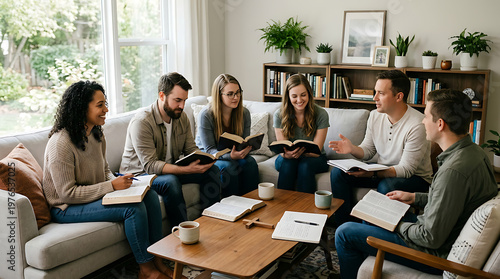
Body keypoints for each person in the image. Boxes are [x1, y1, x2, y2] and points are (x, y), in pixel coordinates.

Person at [335, 89, 498, 279]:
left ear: (440, 124)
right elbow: (453, 199)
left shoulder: (453, 171)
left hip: (435, 254)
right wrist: (414, 197)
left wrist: (395, 224)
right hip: (442, 233)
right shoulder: (474, 152)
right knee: (369, 218)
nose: (422, 121)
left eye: (426, 116)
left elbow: (430, 237)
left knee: (344, 233)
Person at [42, 81, 173, 279]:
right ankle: (145, 270)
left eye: (106, 103)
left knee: (150, 195)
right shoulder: (60, 143)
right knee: (133, 209)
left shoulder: (96, 134)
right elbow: (67, 194)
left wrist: (122, 186)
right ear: (81, 107)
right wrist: (111, 186)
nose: (106, 110)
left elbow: (104, 170)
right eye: (100, 105)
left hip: (92, 196)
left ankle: (157, 259)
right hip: (65, 207)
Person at [329, 70, 433, 226]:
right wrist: (352, 149)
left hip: (415, 178)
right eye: (375, 92)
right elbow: (368, 150)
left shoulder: (417, 124)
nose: (374, 98)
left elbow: (406, 170)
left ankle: (373, 233)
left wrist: (372, 174)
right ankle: (345, 226)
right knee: (339, 174)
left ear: (399, 96)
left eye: (381, 93)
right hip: (383, 169)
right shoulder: (375, 116)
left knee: (387, 185)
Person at [120, 72, 221, 226]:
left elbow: (190, 149)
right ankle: (183, 231)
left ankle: (211, 224)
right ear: (162, 96)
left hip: (168, 170)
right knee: (170, 182)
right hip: (140, 176)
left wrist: (207, 159)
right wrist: (187, 170)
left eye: (184, 100)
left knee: (213, 171)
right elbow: (151, 165)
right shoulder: (142, 122)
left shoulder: (181, 117)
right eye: (177, 100)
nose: (182, 106)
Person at [195, 74, 259, 197]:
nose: (236, 97)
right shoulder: (206, 115)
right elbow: (209, 150)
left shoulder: (244, 113)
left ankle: (252, 203)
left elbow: (244, 141)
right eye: (230, 94)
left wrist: (246, 149)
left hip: (231, 152)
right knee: (228, 167)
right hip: (209, 155)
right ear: (219, 95)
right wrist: (230, 156)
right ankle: (231, 209)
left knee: (250, 163)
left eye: (238, 92)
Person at [273, 73, 330, 193]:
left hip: (315, 158)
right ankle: (282, 205)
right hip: (287, 158)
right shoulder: (279, 115)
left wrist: (299, 153)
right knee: (289, 164)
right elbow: (281, 147)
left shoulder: (321, 114)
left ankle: (305, 208)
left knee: (305, 165)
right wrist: (287, 154)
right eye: (294, 96)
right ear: (288, 96)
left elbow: (316, 151)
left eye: (303, 95)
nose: (299, 100)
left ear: (309, 94)